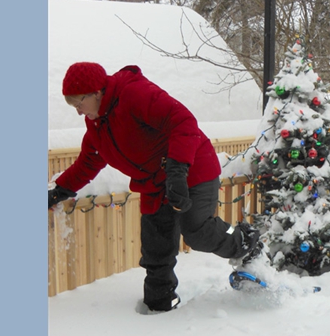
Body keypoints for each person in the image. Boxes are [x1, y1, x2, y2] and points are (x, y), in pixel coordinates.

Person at [48, 62, 261, 312]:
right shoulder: (97, 125)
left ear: (96, 92)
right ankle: (160, 305)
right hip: (155, 183)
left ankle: (248, 243)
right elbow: (88, 161)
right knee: (155, 248)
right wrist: (59, 191)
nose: (79, 112)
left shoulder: (135, 94)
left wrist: (177, 171)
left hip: (192, 168)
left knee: (197, 230)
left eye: (79, 104)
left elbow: (183, 122)